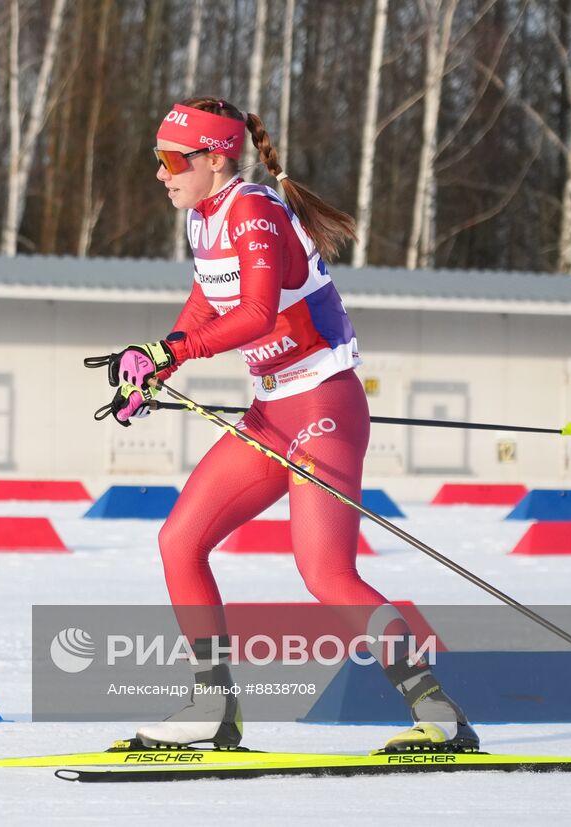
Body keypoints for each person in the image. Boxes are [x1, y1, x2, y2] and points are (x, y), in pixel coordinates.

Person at [86, 97, 477, 753]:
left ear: (215, 159)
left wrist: (173, 352)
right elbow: (203, 306)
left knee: (325, 572)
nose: (160, 173)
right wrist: (155, 365)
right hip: (271, 412)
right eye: (158, 158)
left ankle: (437, 712)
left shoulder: (254, 213)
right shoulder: (203, 219)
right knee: (179, 539)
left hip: (324, 406)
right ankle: (213, 708)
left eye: (171, 159)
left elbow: (260, 314)